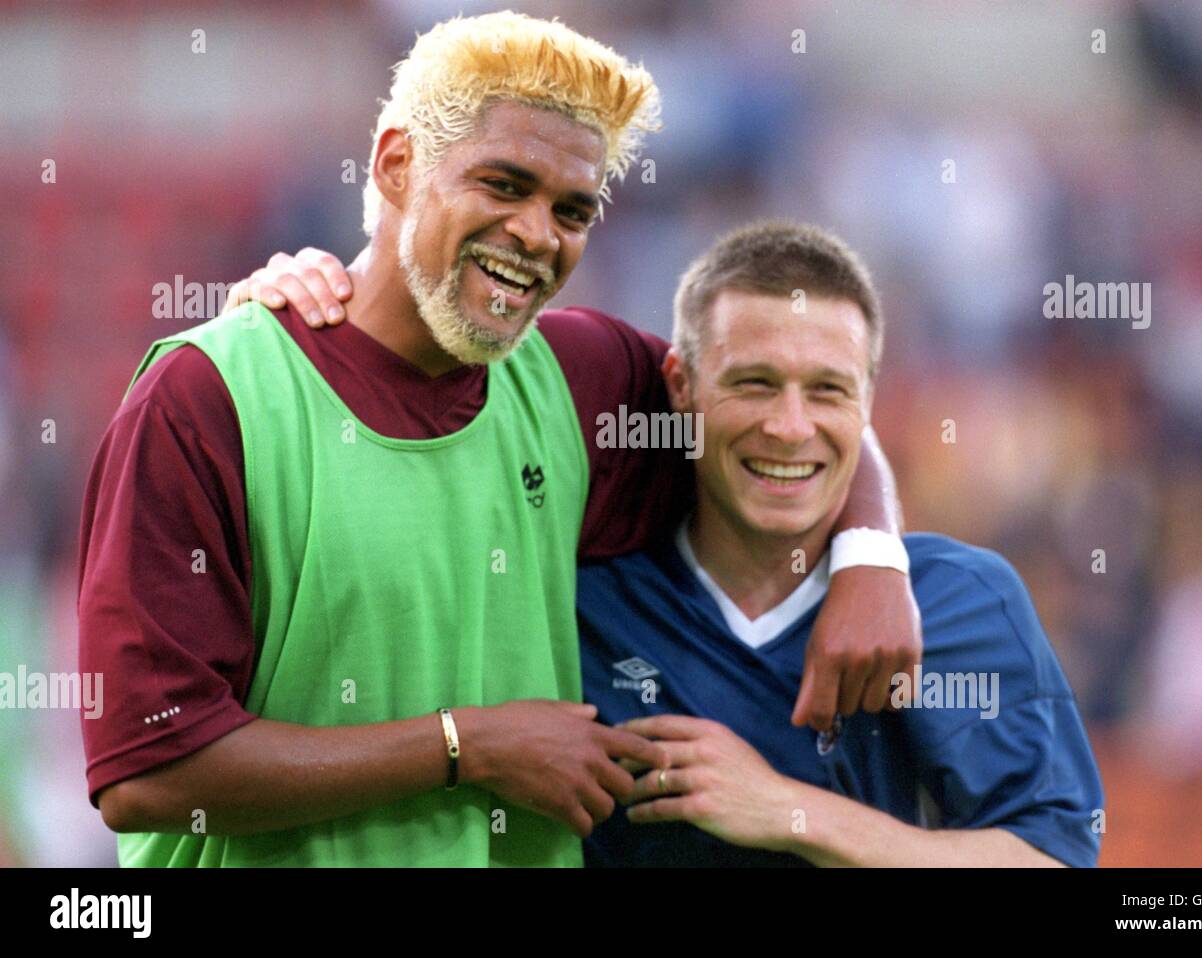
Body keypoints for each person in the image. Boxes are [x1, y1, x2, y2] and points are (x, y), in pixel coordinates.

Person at [78, 12, 918, 868]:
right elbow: (151, 772)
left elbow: (787, 423)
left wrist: (872, 556)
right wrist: (466, 747)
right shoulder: (206, 398)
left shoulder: (580, 377)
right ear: (397, 164)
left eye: (572, 209)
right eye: (504, 185)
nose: (537, 234)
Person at [238, 221, 1105, 868]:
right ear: (682, 388)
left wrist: (786, 810)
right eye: (754, 383)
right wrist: (299, 333)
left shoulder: (958, 599)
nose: (790, 426)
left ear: (868, 401)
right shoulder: (574, 583)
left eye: (828, 391)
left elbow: (1057, 856)